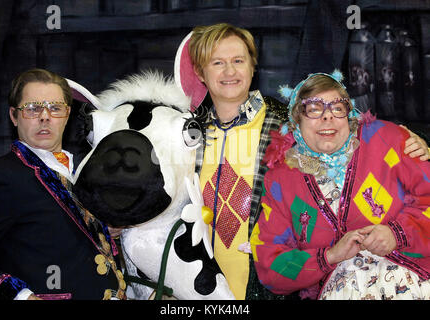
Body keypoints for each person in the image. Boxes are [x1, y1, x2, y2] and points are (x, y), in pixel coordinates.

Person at [175, 23, 430, 300]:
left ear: (253, 66)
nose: (230, 71)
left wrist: (415, 140)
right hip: (197, 285)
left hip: (260, 291)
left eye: (238, 60)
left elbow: (352, 135)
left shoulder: (284, 126)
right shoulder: (183, 134)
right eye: (217, 62)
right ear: (200, 72)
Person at [251, 71, 430, 299]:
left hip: (413, 282)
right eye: (314, 109)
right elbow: (269, 264)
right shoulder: (281, 180)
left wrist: (397, 234)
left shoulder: (388, 140)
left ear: (349, 113)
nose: (328, 118)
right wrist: (330, 256)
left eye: (337, 107)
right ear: (296, 120)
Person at [0, 68, 126, 300]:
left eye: (55, 108)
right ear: (13, 116)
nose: (45, 116)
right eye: (32, 108)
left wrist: (106, 231)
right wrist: (20, 296)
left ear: (67, 114)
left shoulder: (86, 170)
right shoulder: (2, 176)